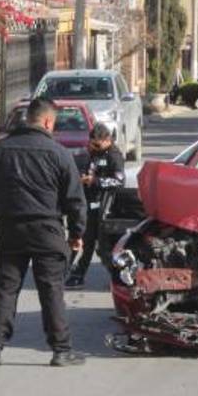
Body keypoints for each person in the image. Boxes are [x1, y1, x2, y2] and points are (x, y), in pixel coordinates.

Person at [0, 97, 88, 367]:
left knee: (6, 290)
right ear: (48, 121)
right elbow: (75, 199)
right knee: (51, 291)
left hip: (9, 230)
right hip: (48, 230)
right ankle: (61, 351)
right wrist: (76, 234)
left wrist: (3, 198)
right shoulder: (59, 153)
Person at [64, 123, 125, 290]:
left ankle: (118, 279)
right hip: (86, 202)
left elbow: (119, 181)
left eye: (97, 144)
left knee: (101, 245)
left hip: (103, 205)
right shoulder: (93, 153)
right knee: (84, 239)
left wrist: (95, 181)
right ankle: (73, 273)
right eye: (91, 144)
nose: (93, 147)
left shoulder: (114, 156)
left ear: (107, 140)